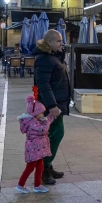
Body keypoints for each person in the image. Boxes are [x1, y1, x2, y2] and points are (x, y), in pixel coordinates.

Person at [34, 30, 71, 185]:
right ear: (49, 42)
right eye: (58, 41)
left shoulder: (53, 57)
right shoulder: (44, 59)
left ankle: (47, 166)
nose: (61, 43)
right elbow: (43, 85)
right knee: (55, 135)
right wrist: (52, 106)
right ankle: (43, 169)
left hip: (59, 103)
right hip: (52, 106)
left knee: (54, 135)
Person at [16, 90, 53, 194]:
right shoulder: (32, 123)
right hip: (33, 150)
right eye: (41, 113)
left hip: (38, 150)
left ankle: (37, 185)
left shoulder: (35, 121)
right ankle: (20, 185)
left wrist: (50, 117)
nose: (42, 115)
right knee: (30, 167)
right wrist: (47, 120)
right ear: (35, 114)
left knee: (40, 166)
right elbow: (43, 129)